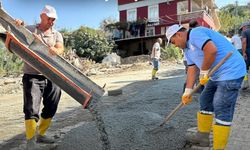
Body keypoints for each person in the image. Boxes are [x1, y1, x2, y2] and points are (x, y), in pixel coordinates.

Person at [166, 24, 246, 150]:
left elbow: (211, 50)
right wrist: (187, 91)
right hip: (216, 75)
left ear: (179, 34)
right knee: (205, 100)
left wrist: (204, 71)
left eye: (173, 41)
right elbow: (192, 70)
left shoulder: (196, 33)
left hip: (231, 72)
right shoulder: (186, 50)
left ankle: (219, 147)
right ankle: (203, 137)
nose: (174, 45)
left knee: (221, 106)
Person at [16, 5, 64, 149]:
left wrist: (55, 50)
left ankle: (41, 134)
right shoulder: (30, 29)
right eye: (49, 18)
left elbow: (60, 48)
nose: (52, 22)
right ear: (42, 16)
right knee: (31, 108)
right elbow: (16, 32)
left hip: (51, 75)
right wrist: (18, 24)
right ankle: (31, 142)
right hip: (32, 75)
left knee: (52, 105)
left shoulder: (56, 34)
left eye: (54, 19)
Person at [240, 21, 250, 90]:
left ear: (245, 27)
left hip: (248, 52)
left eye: (242, 28)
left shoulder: (245, 32)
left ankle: (245, 85)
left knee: (245, 69)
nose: (242, 30)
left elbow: (244, 42)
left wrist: (243, 52)